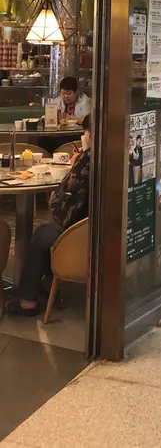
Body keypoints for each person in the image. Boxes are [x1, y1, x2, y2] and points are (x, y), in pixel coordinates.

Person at [7, 115, 91, 317]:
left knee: (43, 235)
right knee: (47, 232)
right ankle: (45, 284)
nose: (83, 136)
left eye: (86, 132)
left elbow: (60, 205)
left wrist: (80, 160)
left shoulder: (88, 161)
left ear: (92, 134)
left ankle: (27, 300)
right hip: (96, 227)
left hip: (80, 232)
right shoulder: (111, 156)